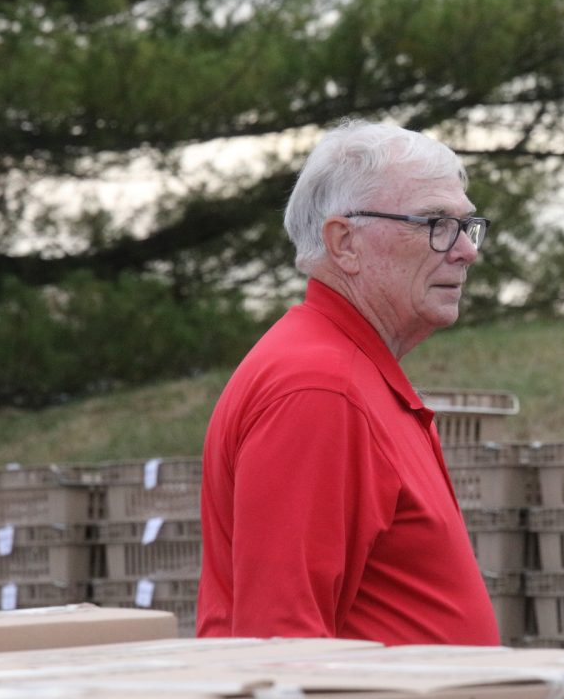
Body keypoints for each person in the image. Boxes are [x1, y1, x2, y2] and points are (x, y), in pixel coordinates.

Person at [195, 119, 500, 645]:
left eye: (465, 225)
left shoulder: (343, 371)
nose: (466, 251)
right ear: (345, 242)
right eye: (434, 223)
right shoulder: (318, 389)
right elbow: (279, 645)